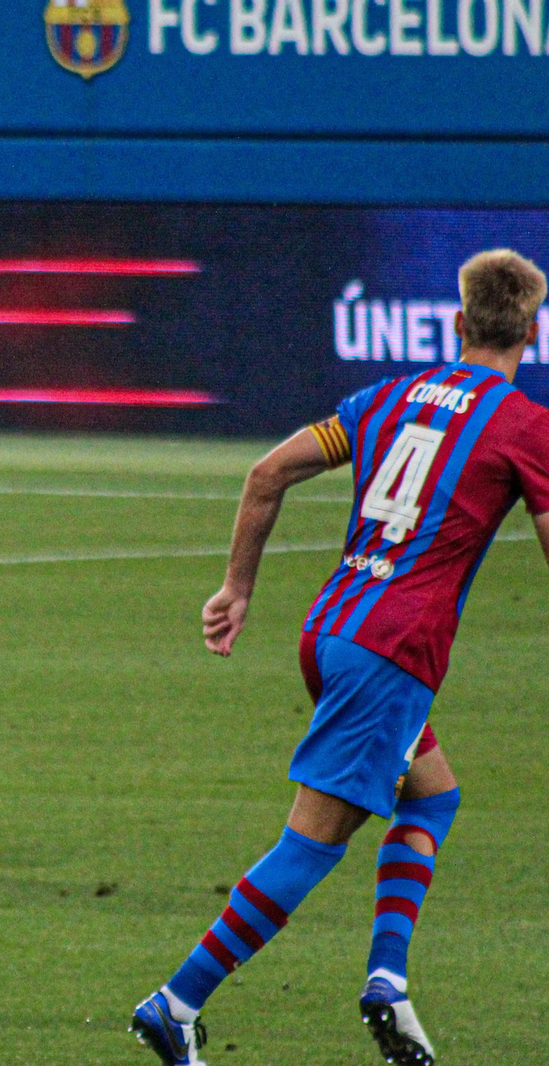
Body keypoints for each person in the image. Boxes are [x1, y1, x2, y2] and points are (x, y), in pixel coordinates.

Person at [131, 249, 549, 1066]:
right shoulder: (527, 426)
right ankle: (174, 1003)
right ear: (530, 335)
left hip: (332, 629)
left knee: (432, 797)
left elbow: (266, 474)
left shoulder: (385, 398)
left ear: (459, 323)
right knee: (314, 843)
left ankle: (387, 981)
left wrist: (237, 589)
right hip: (393, 652)